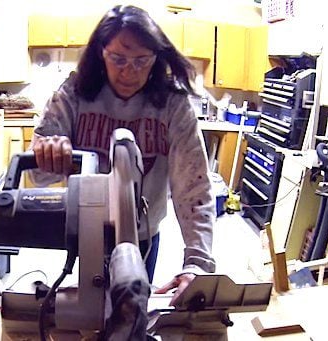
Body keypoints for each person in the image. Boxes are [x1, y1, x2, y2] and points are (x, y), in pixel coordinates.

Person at [29, 5, 216, 305]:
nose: (129, 72)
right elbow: (35, 174)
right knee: (89, 311)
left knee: (134, 309)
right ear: (101, 52)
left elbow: (193, 189)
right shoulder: (74, 94)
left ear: (156, 58)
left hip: (143, 235)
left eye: (142, 61)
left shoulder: (173, 106)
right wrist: (49, 151)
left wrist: (197, 263)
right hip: (88, 231)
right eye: (118, 59)